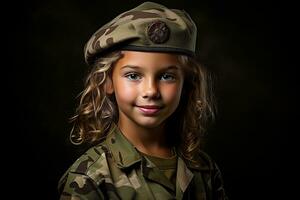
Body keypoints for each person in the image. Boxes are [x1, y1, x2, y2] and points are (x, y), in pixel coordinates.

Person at [58, 1, 228, 199]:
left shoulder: (204, 169)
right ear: (107, 82)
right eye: (133, 76)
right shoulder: (90, 179)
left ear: (187, 83)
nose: (151, 91)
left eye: (167, 76)